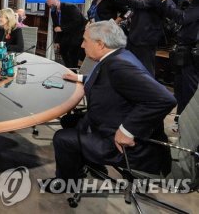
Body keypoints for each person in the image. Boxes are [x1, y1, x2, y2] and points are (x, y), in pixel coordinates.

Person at [46, 21, 176, 189]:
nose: (82, 44)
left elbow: (165, 99)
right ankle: (89, 163)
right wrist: (80, 78)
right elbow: (113, 82)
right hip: (110, 120)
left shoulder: (120, 65)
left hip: (124, 145)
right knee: (70, 121)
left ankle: (66, 183)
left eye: (85, 40)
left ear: (100, 44)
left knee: (62, 138)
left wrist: (127, 131)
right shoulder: (118, 56)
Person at [157, 0, 199, 123]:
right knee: (180, 89)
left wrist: (166, 0)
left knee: (190, 90)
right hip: (184, 50)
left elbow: (183, 18)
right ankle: (179, 120)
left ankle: (188, 124)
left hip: (193, 51)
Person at [110, 0, 168, 75]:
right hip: (135, 37)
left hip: (146, 39)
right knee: (132, 66)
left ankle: (149, 90)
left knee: (146, 69)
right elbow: (132, 0)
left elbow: (139, 4)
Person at [46, 0, 86, 68]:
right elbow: (55, 26)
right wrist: (57, 41)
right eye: (49, 6)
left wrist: (62, 28)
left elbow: (78, 22)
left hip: (76, 35)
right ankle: (68, 68)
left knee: (73, 55)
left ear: (58, 1)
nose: (51, 7)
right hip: (64, 36)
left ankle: (73, 70)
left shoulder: (70, 7)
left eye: (52, 4)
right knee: (63, 52)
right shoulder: (53, 12)